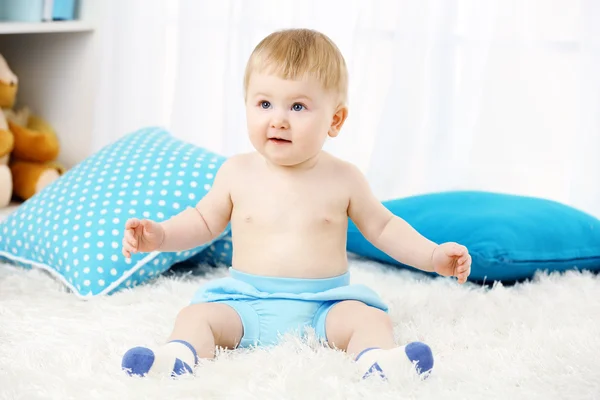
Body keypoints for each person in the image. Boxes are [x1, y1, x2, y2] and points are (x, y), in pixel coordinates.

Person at [121, 28, 471, 380]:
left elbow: (384, 227)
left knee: (370, 318)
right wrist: (161, 235)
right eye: (264, 104)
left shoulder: (344, 178)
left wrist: (431, 256)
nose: (278, 119)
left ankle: (379, 362)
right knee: (195, 317)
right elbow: (201, 221)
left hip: (326, 304)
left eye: (298, 106)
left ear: (334, 120)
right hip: (245, 302)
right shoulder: (236, 172)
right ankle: (176, 358)